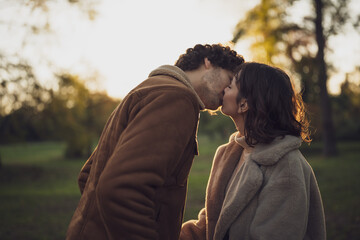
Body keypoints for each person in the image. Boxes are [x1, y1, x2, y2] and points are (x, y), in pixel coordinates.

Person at [66, 44, 245, 240]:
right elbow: (122, 189)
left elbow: (88, 175)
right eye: (229, 81)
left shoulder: (151, 88)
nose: (227, 92)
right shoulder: (177, 98)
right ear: (208, 63)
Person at [180, 62, 326, 240]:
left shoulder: (287, 167)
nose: (223, 89)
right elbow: (212, 224)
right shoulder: (228, 154)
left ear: (244, 104)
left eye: (231, 85)